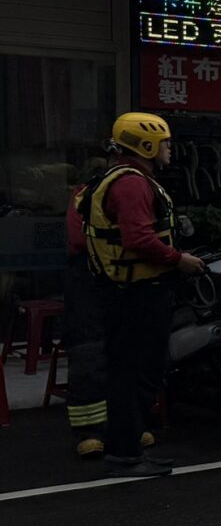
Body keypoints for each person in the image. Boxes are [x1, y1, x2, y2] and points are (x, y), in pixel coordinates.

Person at [79, 112, 207, 478]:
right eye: (164, 142)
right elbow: (138, 240)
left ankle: (128, 449)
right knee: (136, 374)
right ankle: (125, 453)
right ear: (147, 145)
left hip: (129, 291)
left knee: (132, 371)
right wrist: (178, 260)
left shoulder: (123, 179)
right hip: (137, 294)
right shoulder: (132, 184)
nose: (169, 149)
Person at [61, 158, 111, 459]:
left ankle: (121, 425)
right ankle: (88, 431)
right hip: (87, 285)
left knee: (118, 355)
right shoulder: (84, 197)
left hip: (111, 284)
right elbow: (81, 238)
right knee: (88, 355)